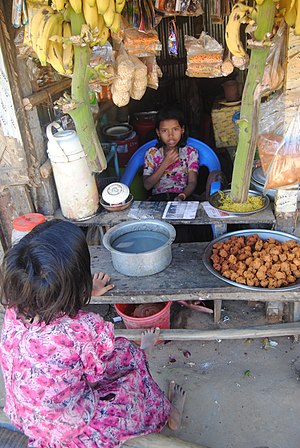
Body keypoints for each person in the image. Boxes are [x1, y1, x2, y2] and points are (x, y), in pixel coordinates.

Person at [0, 220, 186, 447]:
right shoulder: (84, 330)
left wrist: (81, 293)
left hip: (26, 417)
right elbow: (104, 372)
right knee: (132, 361)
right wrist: (143, 348)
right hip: (74, 429)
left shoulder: (13, 312)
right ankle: (168, 413)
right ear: (78, 281)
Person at [143, 105, 199, 202]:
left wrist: (182, 196)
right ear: (158, 133)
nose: (170, 135)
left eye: (175, 129)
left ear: (182, 130)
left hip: (182, 197)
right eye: (164, 131)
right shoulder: (152, 153)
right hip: (158, 199)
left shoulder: (190, 152)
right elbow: (147, 185)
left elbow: (192, 182)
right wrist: (165, 163)